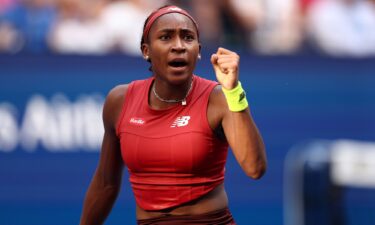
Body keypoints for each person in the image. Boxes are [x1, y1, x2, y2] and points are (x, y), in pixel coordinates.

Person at [79, 5, 267, 225]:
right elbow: (105, 185)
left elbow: (255, 169)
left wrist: (234, 92)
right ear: (146, 50)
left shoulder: (220, 97)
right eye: (166, 37)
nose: (178, 46)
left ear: (198, 50)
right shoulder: (119, 101)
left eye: (187, 38)